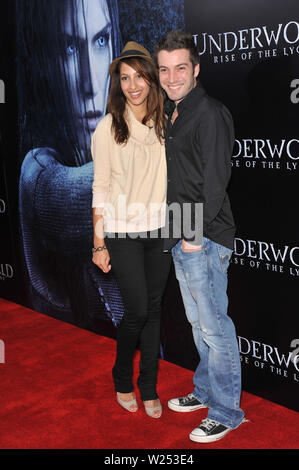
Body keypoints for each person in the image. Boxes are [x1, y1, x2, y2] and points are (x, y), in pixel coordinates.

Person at [155, 30, 245, 442]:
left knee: (215, 327)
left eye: (180, 68)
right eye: (165, 69)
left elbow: (215, 182)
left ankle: (227, 413)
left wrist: (192, 236)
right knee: (198, 325)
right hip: (182, 232)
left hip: (203, 236)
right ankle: (207, 390)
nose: (172, 77)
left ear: (196, 69)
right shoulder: (173, 111)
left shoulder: (208, 113)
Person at [17, 0, 124, 328]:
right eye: (69, 47)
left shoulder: (109, 144)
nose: (90, 82)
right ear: (44, 61)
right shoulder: (37, 173)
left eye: (101, 41)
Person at [91, 42, 171, 418]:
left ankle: (149, 386)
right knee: (137, 310)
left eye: (139, 76)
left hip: (159, 229)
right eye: (124, 78)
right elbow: (100, 186)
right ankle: (123, 378)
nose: (132, 85)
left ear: (150, 78)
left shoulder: (165, 121)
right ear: (117, 84)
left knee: (153, 310)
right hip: (122, 230)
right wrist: (98, 242)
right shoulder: (108, 127)